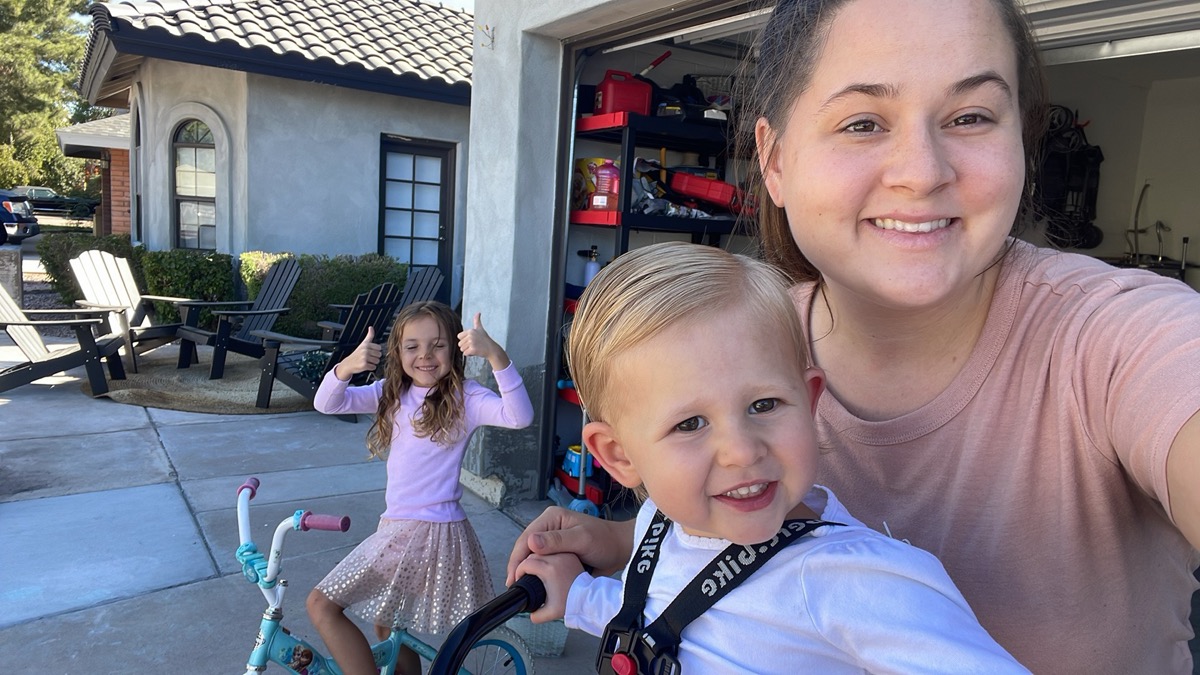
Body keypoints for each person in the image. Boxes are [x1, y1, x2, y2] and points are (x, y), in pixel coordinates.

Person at [508, 1, 1200, 672]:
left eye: (970, 116)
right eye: (864, 121)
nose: (924, 172)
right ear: (773, 160)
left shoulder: (1125, 338)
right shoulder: (738, 338)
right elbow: (739, 541)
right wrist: (620, 541)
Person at [516, 241, 1029, 672]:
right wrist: (580, 597)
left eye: (764, 405)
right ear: (620, 455)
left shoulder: (856, 584)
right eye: (690, 424)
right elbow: (662, 609)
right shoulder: (662, 522)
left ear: (808, 403)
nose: (741, 450)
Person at [307, 300, 534, 675]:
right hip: (400, 528)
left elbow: (519, 415)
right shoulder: (391, 394)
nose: (425, 356)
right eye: (412, 346)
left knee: (321, 605)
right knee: (387, 624)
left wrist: (496, 354)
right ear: (397, 352)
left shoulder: (467, 397)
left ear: (455, 349)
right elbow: (327, 403)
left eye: (438, 345)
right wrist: (347, 366)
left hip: (423, 533)